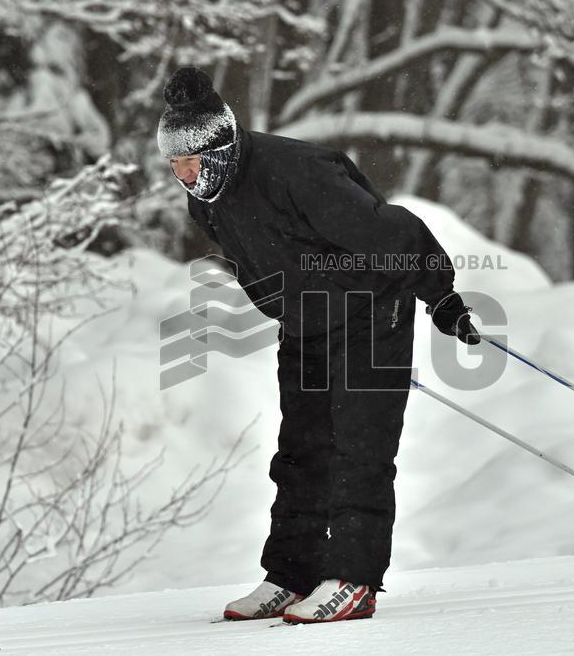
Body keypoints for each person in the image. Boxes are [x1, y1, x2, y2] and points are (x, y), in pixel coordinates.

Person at [157, 67, 480, 624]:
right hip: (306, 325)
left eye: (195, 162)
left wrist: (441, 296)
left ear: (225, 147)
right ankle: (292, 574)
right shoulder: (206, 202)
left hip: (373, 314)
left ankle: (353, 579)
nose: (187, 176)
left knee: (360, 449)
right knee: (301, 453)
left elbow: (393, 232)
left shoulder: (297, 173)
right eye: (176, 165)